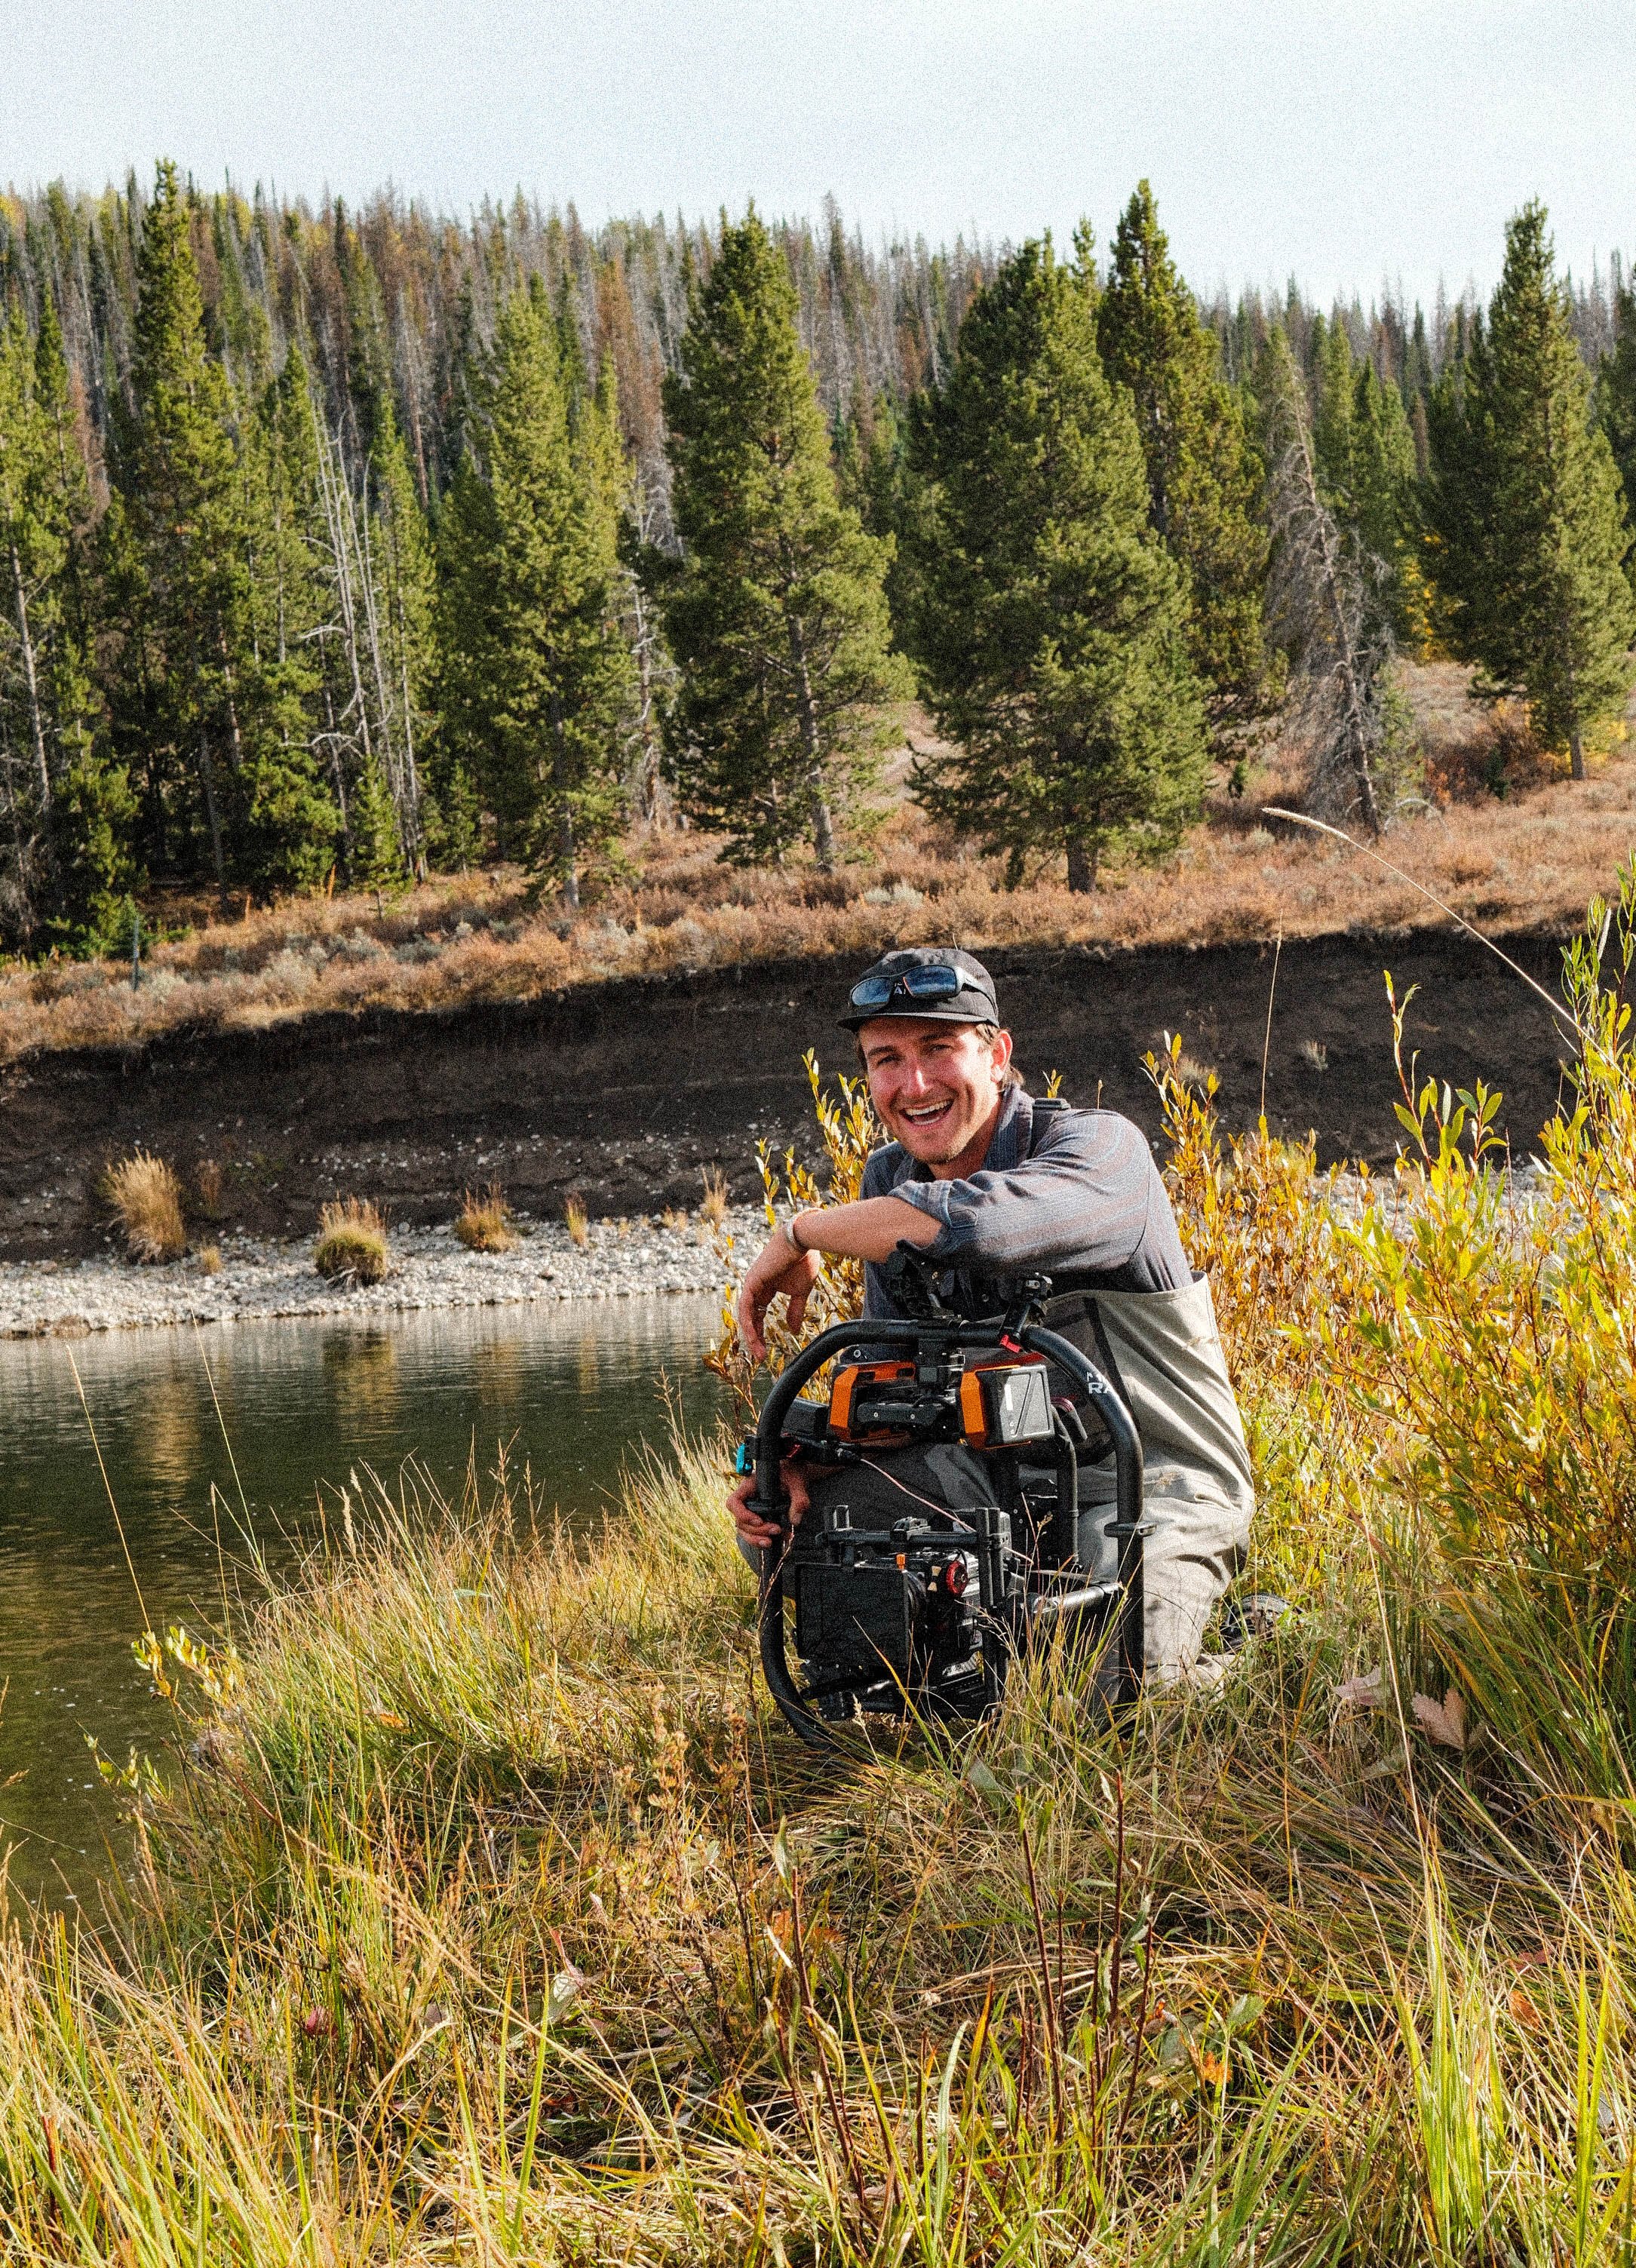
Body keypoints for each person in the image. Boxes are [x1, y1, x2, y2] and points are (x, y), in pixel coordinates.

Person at [727, 945, 1254, 1680]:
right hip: (993, 1491)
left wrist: (800, 1231)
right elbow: (897, 1387)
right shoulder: (890, 1183)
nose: (913, 1083)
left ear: (997, 1053)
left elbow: (984, 1228)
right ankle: (958, 1657)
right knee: (796, 1526)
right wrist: (800, 1466)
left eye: (939, 1048)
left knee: (1124, 1693)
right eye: (886, 1059)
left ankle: (1251, 1656)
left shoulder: (1102, 1151)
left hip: (1148, 1490)